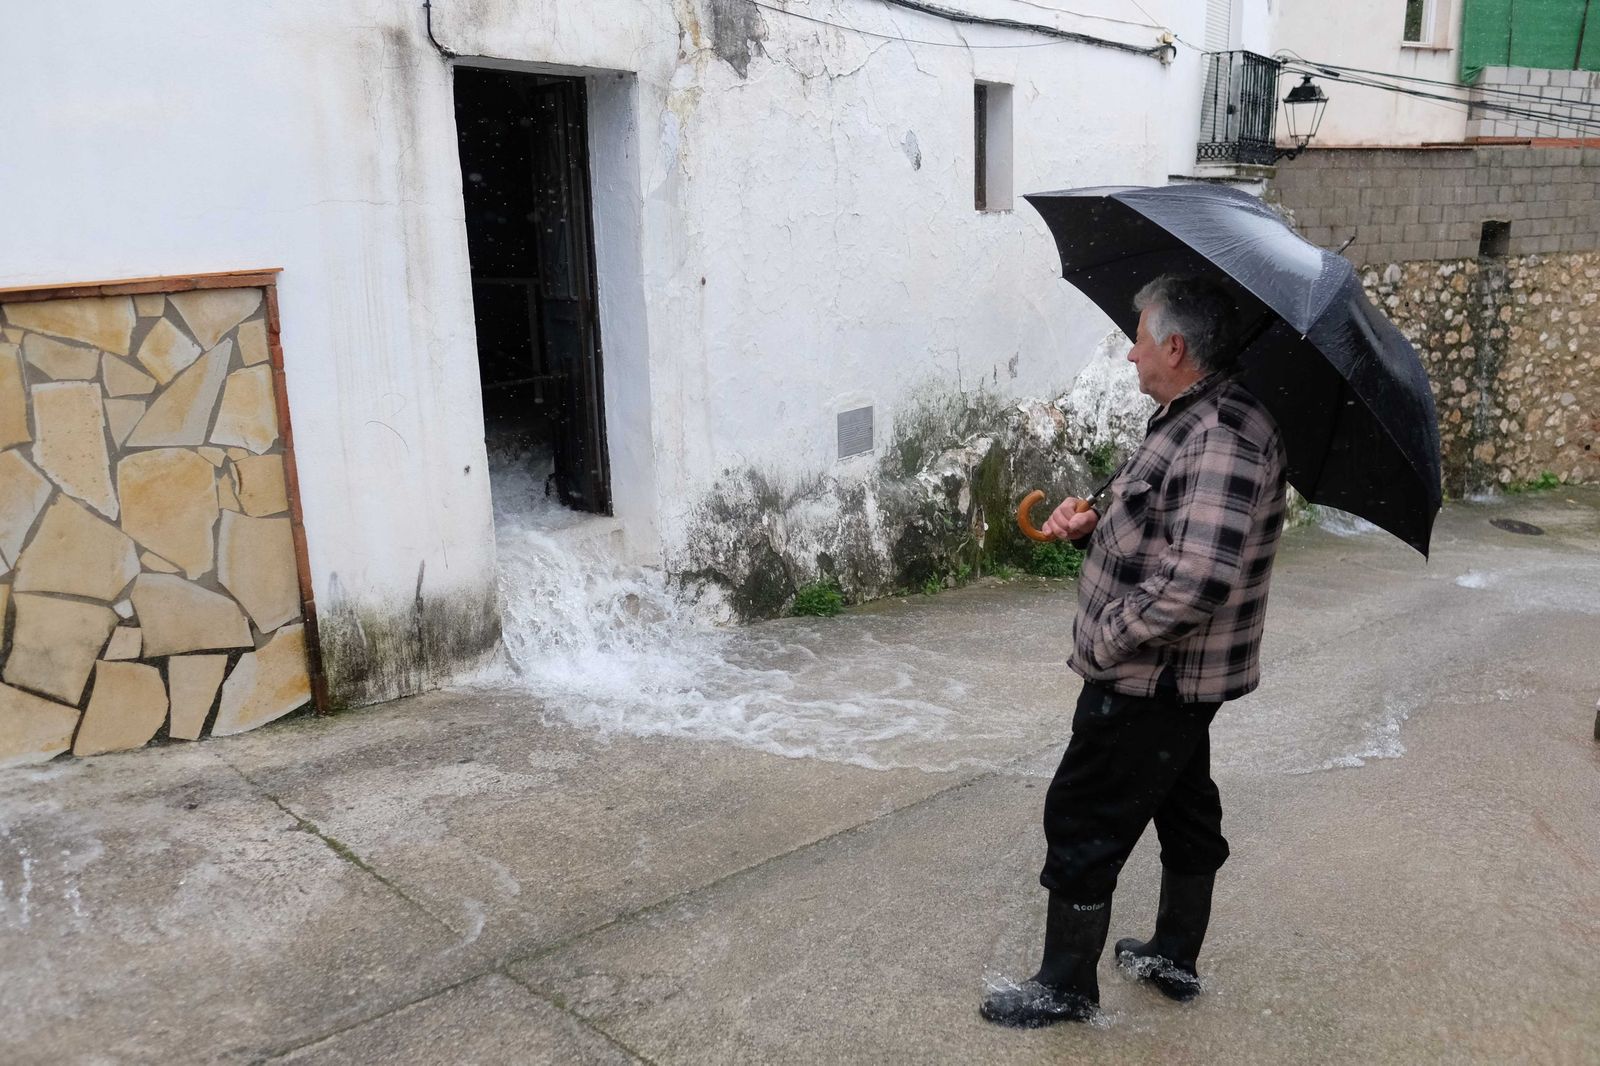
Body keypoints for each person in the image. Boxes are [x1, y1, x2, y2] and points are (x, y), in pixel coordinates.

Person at [981, 274, 1289, 1028]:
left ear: (1176, 348)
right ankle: (1174, 953)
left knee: (1085, 812)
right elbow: (1165, 526)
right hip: (1175, 678)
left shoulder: (1221, 436)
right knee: (1183, 805)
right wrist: (1093, 528)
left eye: (1141, 338)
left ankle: (1065, 987)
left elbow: (1196, 584)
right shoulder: (1190, 415)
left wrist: (1107, 638)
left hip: (1153, 675)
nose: (1129, 354)